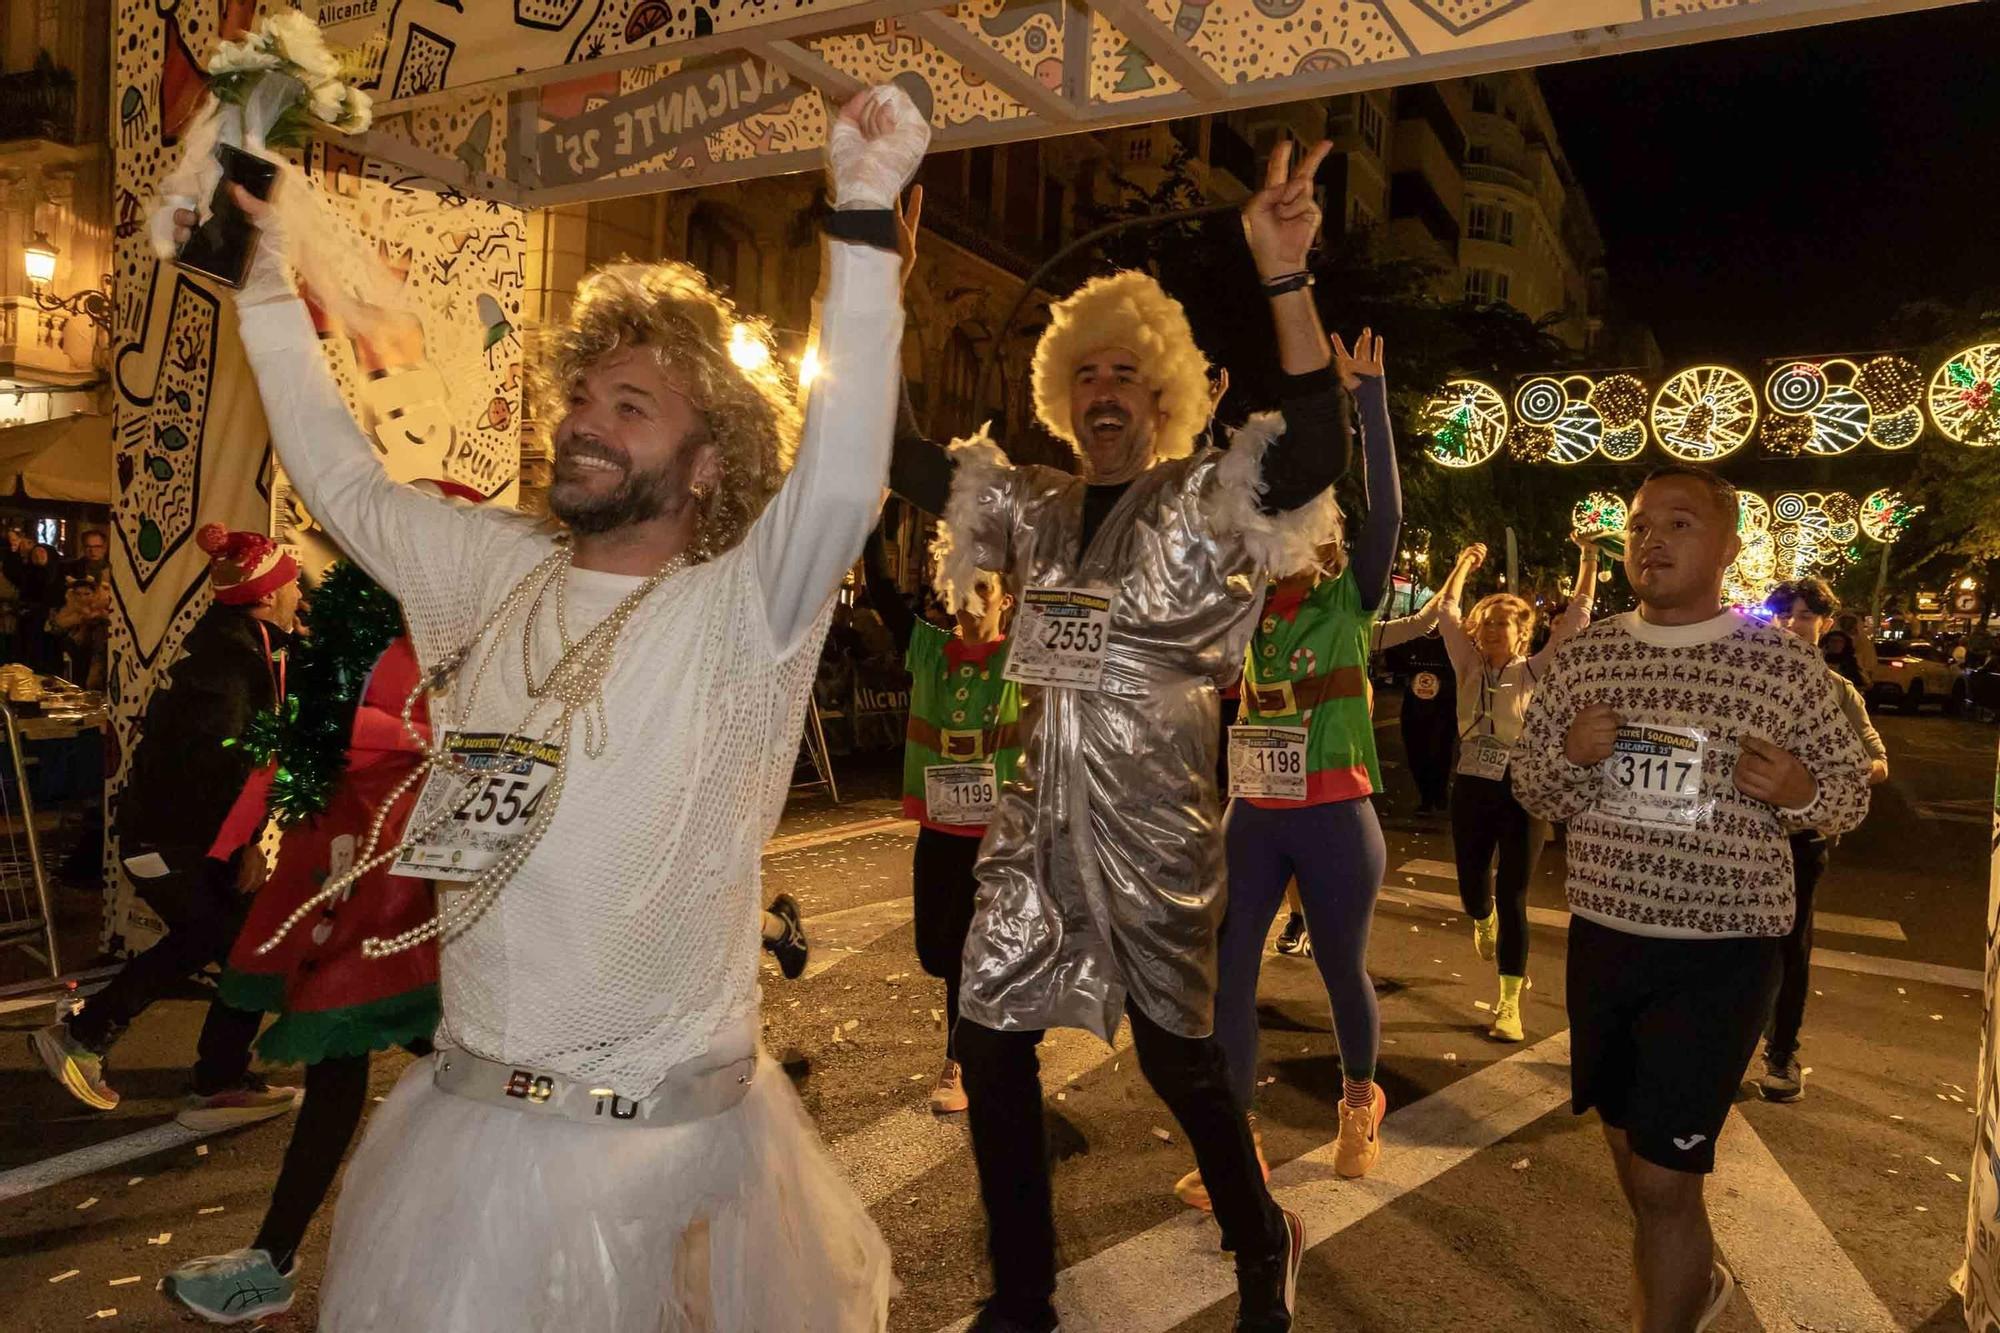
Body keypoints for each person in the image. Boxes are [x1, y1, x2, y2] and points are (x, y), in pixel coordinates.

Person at [167, 83, 928, 1330]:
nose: (583, 421)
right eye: (582, 397)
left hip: (666, 1158)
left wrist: (855, 223)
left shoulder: (745, 610)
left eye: (631, 408)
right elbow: (339, 472)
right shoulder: (494, 572)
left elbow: (843, 475)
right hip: (467, 1145)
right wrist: (256, 282)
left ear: (706, 463)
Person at [891, 137, 1348, 1333]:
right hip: (1030, 835)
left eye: (1122, 378)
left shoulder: (1205, 497)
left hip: (1153, 834)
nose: (1100, 392)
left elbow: (1309, 454)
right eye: (1082, 374)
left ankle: (1262, 1239)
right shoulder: (1032, 506)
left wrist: (1282, 274)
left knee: (1180, 1066)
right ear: (1061, 393)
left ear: (1160, 398)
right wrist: (873, 300)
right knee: (987, 1046)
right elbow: (897, 466)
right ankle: (1025, 1297)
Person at [1512, 465, 1870, 1332]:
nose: (1652, 540)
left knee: (1668, 1178)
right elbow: (1531, 785)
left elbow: (1851, 790)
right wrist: (1568, 752)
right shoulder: (1587, 655)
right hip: (1606, 937)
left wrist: (1797, 788)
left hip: (1723, 949)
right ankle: (1693, 1287)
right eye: (1639, 525)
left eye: (1678, 523)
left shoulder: (1781, 664)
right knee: (1636, 1164)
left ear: (1728, 548)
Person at [166, 622, 440, 1323]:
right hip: (355, 885)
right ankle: (273, 1256)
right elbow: (298, 750)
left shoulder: (450, 633)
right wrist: (240, 839)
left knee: (456, 1052)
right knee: (349, 1055)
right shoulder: (374, 634)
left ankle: (276, 1256)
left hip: (406, 891)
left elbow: (377, 733)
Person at [31, 522, 303, 1128]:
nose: (299, 595)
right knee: (236, 944)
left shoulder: (246, 646)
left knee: (214, 940)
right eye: (291, 584)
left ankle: (175, 1064)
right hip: (174, 838)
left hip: (176, 836)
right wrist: (241, 848)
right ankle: (194, 1073)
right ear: (264, 593)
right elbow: (220, 762)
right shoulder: (229, 664)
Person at [865, 534, 1019, 1115]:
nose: (972, 602)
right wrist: (873, 519)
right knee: (937, 951)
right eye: (963, 589)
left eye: (985, 589)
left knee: (977, 954)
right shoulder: (930, 651)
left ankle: (965, 1058)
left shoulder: (1024, 658)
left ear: (1006, 600)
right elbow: (882, 592)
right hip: (941, 834)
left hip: (1002, 839)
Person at [1437, 534, 1598, 1041]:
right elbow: (1445, 607)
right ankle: (1479, 917)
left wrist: (1589, 558)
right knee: (1472, 887)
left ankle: (1508, 1005)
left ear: (1520, 634)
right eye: (1484, 625)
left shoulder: (1534, 671)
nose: (1489, 633)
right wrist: (1464, 562)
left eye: (1500, 626)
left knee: (1514, 893)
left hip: (1524, 789)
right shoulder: (1466, 665)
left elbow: (1576, 618)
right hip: (1471, 786)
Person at [1758, 577, 1888, 1102]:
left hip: (1801, 839)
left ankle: (1781, 1051)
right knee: (1726, 944)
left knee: (1791, 947)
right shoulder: (1743, 679)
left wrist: (1825, 778)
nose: (1792, 624)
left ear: (1826, 626)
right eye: (1782, 614)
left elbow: (1876, 759)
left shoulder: (1838, 691)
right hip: (1737, 837)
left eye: (1805, 616)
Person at [1820, 627, 1867, 691]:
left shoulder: (1850, 663)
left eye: (1840, 641)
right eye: (1833, 641)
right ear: (1827, 643)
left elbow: (1861, 684)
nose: (1836, 644)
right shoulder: (1819, 660)